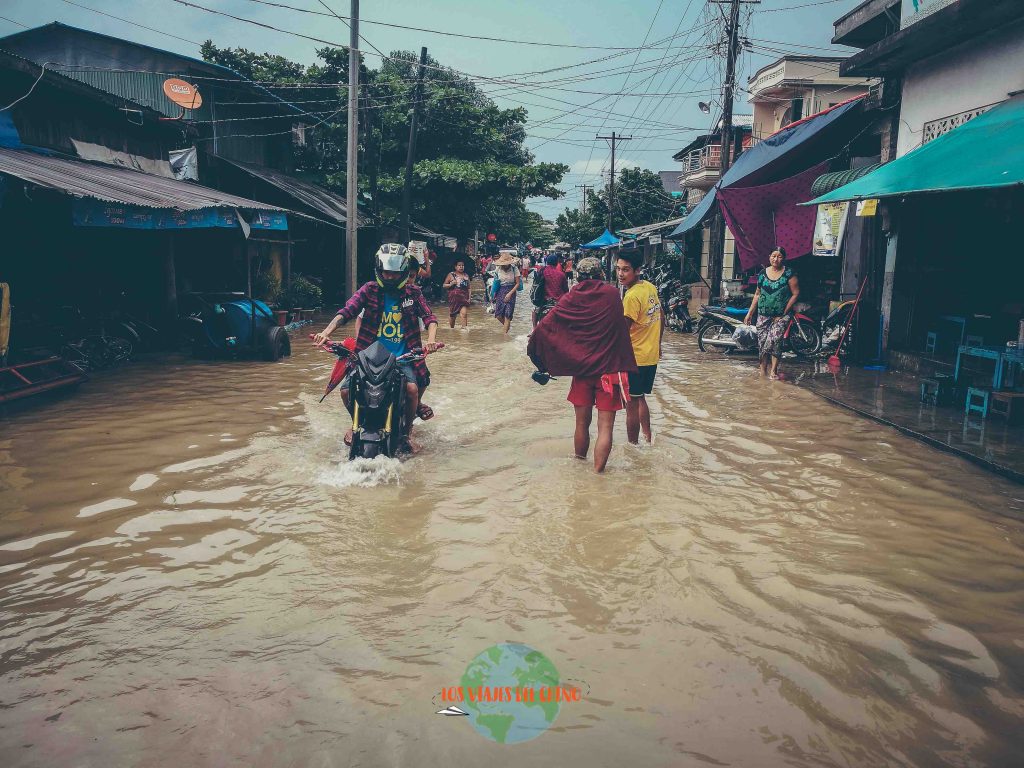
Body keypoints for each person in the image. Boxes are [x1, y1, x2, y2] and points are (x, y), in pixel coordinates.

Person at [313, 244, 440, 451]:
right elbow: (347, 311)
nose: (390, 277)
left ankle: (406, 433)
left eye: (394, 273)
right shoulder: (369, 289)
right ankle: (356, 423)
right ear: (379, 270)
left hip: (402, 358)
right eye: (386, 272)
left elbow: (429, 318)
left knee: (412, 390)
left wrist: (431, 340)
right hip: (368, 358)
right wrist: (326, 332)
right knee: (345, 391)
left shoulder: (414, 293)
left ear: (403, 272)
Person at [528, 257, 638, 473]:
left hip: (582, 370)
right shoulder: (612, 294)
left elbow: (546, 326)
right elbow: (620, 329)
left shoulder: (571, 296)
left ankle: (579, 467)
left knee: (581, 424)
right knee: (605, 427)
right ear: (601, 274)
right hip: (609, 371)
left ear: (578, 276)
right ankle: (597, 474)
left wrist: (540, 357)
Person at [616, 252, 664, 444]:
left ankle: (633, 447)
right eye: (618, 269)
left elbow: (622, 332)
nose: (620, 274)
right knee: (640, 398)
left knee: (631, 405)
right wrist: (658, 344)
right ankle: (647, 437)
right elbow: (661, 316)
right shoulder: (649, 287)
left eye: (626, 270)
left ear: (637, 271)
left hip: (635, 358)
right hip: (650, 356)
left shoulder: (631, 296)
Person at [744, 246, 800, 380]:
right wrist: (749, 313)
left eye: (779, 256)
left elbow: (796, 293)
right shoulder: (762, 273)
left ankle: (773, 371)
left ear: (783, 258)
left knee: (775, 340)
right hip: (763, 314)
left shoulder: (789, 273)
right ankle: (762, 371)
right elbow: (757, 294)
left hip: (781, 316)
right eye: (773, 256)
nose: (776, 259)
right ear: (769, 257)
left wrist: (783, 312)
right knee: (762, 342)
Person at [532, 252, 570, 328]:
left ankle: (534, 329)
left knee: (534, 311)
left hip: (544, 302)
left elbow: (535, 286)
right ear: (556, 263)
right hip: (559, 302)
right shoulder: (561, 274)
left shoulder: (542, 271)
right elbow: (566, 291)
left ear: (547, 262)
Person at [492, 252, 522, 334]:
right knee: (498, 315)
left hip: (511, 290)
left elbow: (517, 283)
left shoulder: (514, 269)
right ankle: (507, 327)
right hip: (501, 291)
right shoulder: (498, 269)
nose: (505, 265)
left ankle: (504, 336)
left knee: (507, 314)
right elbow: (495, 283)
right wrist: (493, 295)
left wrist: (510, 294)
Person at [443, 259, 472, 329]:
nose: (461, 267)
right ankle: (452, 329)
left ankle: (464, 329)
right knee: (453, 316)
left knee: (464, 314)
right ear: (455, 267)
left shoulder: (466, 275)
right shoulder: (451, 275)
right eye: (459, 265)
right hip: (454, 299)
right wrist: (450, 284)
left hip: (464, 298)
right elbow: (444, 285)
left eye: (462, 265)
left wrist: (469, 298)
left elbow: (469, 288)